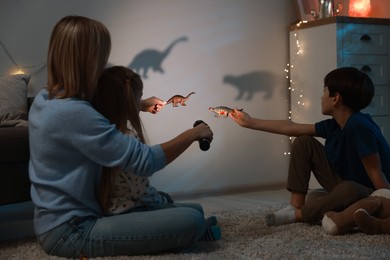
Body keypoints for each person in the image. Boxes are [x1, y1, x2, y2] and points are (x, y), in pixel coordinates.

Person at [29, 15, 217, 258]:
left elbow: (90, 114)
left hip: (55, 223)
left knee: (192, 208)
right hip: (73, 230)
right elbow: (145, 161)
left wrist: (136, 104)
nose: (104, 64)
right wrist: (194, 133)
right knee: (192, 220)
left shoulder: (47, 99)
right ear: (87, 60)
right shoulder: (72, 112)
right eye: (101, 57)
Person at [229, 67, 390, 226]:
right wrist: (249, 122)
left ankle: (297, 215)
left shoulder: (358, 126)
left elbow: (376, 172)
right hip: (345, 184)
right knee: (303, 142)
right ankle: (296, 204)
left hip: (369, 192)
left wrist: (385, 203)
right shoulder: (333, 125)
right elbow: (291, 127)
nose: (321, 97)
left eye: (324, 91)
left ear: (335, 98)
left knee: (348, 190)